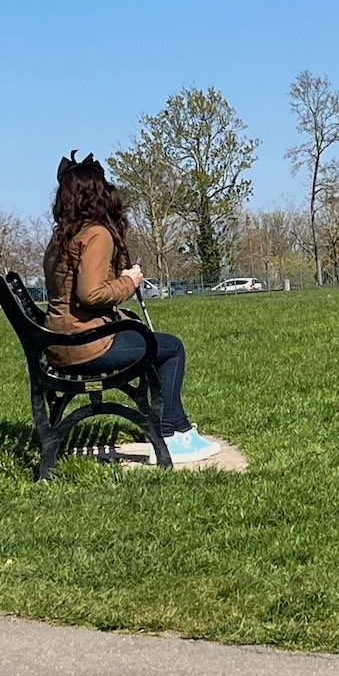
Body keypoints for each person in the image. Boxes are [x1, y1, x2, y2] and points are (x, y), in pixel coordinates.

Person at [43, 151, 219, 463]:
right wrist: (130, 280)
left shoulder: (61, 237)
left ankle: (179, 429)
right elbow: (91, 295)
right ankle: (170, 434)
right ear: (97, 194)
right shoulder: (96, 234)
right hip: (87, 346)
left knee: (152, 342)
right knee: (171, 348)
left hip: (60, 344)